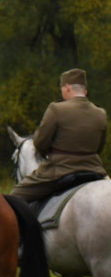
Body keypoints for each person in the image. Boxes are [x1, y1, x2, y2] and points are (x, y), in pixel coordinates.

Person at [10, 68, 108, 202]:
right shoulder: (101, 113)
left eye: (62, 89)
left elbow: (40, 143)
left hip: (60, 170)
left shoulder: (56, 109)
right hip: (95, 169)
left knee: (14, 198)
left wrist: (46, 154)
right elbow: (99, 147)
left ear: (67, 87)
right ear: (85, 90)